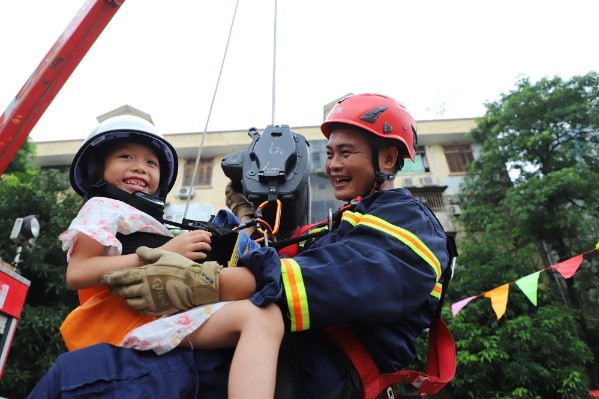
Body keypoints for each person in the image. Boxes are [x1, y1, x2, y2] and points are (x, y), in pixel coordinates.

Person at [29, 93, 450, 398]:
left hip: (320, 369)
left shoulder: (408, 218)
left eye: (346, 152)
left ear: (389, 160)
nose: (333, 165)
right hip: (285, 355)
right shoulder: (341, 223)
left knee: (76, 381)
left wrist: (207, 282)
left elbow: (337, 279)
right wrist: (239, 229)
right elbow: (276, 261)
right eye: (330, 153)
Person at [53, 114, 284, 399]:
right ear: (97, 169)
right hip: (130, 323)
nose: (140, 167)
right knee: (253, 290)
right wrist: (163, 253)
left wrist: (245, 218)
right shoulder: (102, 206)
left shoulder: (148, 222)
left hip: (160, 317)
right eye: (125, 157)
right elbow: (77, 273)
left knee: (264, 315)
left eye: (151, 163)